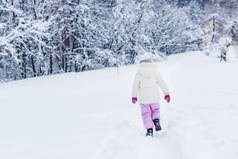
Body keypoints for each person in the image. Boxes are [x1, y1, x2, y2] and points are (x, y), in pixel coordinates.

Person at [131, 59, 170, 137]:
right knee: (156, 110)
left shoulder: (138, 74)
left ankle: (149, 130)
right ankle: (156, 121)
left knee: (146, 114)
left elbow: (135, 86)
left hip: (143, 98)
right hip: (154, 97)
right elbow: (162, 83)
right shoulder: (155, 72)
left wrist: (134, 96)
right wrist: (166, 93)